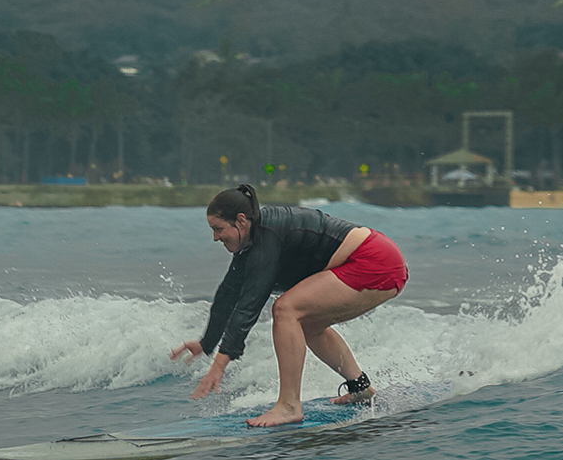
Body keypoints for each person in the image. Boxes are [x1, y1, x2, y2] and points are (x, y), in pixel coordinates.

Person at [168, 183, 409, 427]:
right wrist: (206, 343)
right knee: (309, 324)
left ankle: (289, 405)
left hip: (374, 260)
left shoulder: (267, 239)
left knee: (286, 309)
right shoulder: (252, 242)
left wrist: (219, 366)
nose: (215, 237)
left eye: (219, 229)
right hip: (379, 258)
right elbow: (227, 295)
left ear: (241, 221)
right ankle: (360, 388)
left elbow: (248, 308)